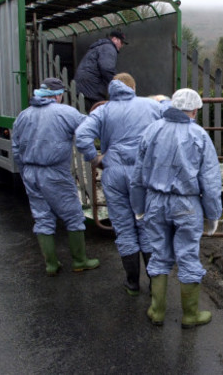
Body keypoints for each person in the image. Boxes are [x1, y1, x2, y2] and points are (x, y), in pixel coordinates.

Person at [130, 88, 222, 328]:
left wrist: (138, 205)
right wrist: (213, 215)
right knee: (188, 254)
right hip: (186, 204)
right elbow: (210, 181)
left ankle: (157, 310)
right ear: (194, 110)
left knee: (159, 253)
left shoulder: (152, 130)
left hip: (154, 201)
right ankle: (190, 315)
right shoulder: (199, 135)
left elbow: (137, 174)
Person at [75, 73, 162, 296]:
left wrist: (95, 159)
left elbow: (82, 135)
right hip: (142, 174)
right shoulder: (150, 105)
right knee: (145, 225)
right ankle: (155, 284)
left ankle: (132, 284)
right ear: (133, 87)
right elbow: (173, 120)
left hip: (114, 174)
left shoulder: (103, 110)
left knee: (124, 228)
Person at [11, 77, 100, 276]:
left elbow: (16, 147)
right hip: (54, 172)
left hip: (30, 172)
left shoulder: (23, 116)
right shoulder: (65, 112)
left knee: (42, 217)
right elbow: (89, 129)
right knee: (73, 215)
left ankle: (51, 264)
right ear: (58, 95)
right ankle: (80, 260)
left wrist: (25, 169)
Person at [74, 30, 128, 113]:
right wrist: (118, 86)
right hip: (93, 90)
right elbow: (107, 68)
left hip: (83, 87)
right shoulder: (108, 48)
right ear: (114, 39)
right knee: (98, 115)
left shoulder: (98, 47)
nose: (121, 46)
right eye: (121, 42)